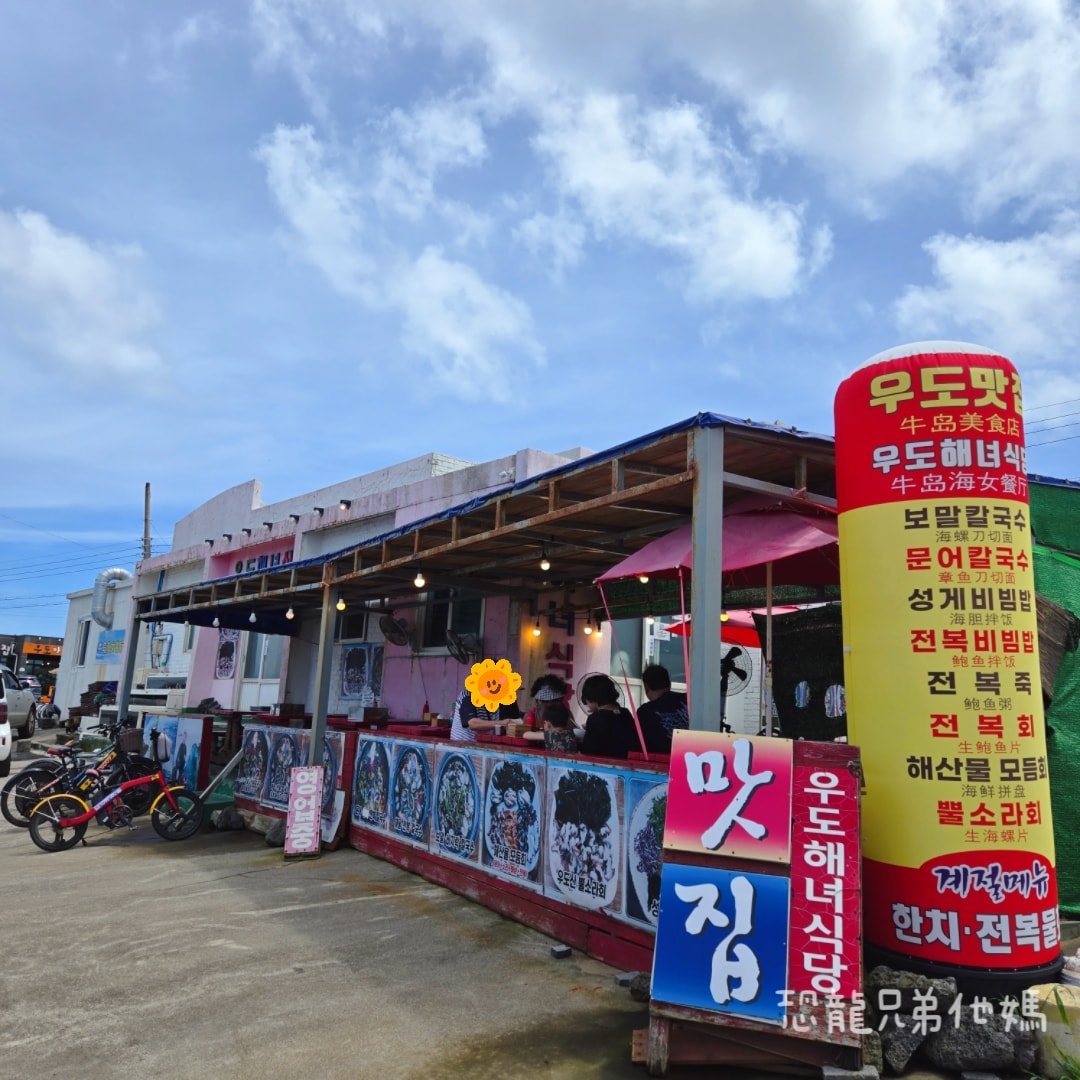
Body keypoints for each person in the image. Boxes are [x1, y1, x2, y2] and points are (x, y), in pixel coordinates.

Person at [579, 674, 639, 760]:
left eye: (587, 701)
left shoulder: (595, 719)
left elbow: (588, 751)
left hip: (605, 767)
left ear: (593, 698)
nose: (587, 705)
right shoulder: (625, 713)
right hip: (628, 766)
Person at [637, 664, 689, 753]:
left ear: (646, 687)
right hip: (693, 760)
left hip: (660, 763)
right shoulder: (688, 700)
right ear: (669, 684)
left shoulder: (644, 712)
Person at [449, 685, 520, 742]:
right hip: (462, 750)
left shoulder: (505, 700)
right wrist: (502, 723)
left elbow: (516, 725)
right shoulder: (467, 695)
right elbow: (473, 723)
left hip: (487, 750)